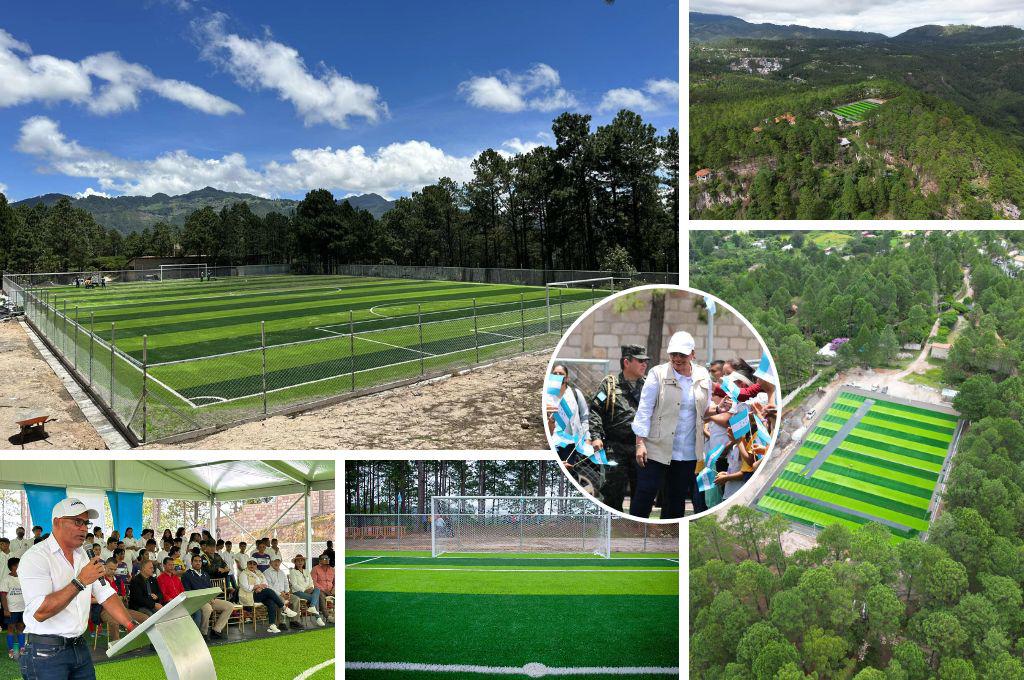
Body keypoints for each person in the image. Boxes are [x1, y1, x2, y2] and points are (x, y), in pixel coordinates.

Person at [19, 498, 137, 679]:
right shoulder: (35, 557)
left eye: (86, 523)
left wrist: (130, 625)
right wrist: (80, 581)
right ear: (57, 522)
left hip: (80, 647)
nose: (84, 528)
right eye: (77, 522)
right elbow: (40, 612)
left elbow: (106, 593)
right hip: (44, 652)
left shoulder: (84, 555)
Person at [631, 331, 714, 519]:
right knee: (645, 493)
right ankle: (634, 531)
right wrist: (640, 443)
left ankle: (668, 535)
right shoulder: (657, 374)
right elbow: (644, 410)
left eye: (682, 355)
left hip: (687, 451)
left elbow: (705, 409)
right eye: (673, 354)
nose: (677, 358)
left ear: (693, 354)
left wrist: (718, 409)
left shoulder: (703, 375)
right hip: (655, 447)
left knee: (676, 500)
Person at [588, 344, 649, 511]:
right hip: (615, 448)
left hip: (641, 448)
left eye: (646, 361)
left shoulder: (648, 386)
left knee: (642, 495)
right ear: (627, 362)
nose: (644, 364)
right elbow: (595, 409)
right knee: (613, 495)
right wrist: (596, 436)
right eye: (640, 361)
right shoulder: (609, 386)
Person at [545, 364, 593, 462]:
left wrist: (587, 438)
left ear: (566, 378)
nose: (558, 376)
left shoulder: (576, 394)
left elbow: (584, 417)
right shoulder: (547, 397)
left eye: (561, 374)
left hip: (572, 444)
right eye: (555, 373)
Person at [238, 560, 297, 634]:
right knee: (269, 591)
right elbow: (246, 587)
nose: (252, 565)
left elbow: (265, 583)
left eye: (254, 564)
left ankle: (271, 625)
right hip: (249, 595)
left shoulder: (259, 572)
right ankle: (284, 608)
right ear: (247, 564)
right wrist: (258, 586)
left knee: (271, 602)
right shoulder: (243, 574)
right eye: (250, 563)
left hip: (260, 593)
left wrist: (260, 587)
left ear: (256, 565)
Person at [181, 555, 232, 640]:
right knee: (208, 609)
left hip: (209, 599)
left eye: (200, 561)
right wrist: (204, 599)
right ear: (191, 562)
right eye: (196, 561)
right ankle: (203, 633)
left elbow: (210, 588)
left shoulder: (205, 574)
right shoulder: (187, 575)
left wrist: (211, 597)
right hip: (197, 601)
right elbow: (188, 592)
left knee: (229, 606)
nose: (198, 563)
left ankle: (216, 630)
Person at [287, 555, 325, 627]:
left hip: (309, 590)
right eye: (298, 561)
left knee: (317, 589)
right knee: (314, 598)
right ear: (295, 562)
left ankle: (312, 607)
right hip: (298, 592)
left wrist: (311, 588)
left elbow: (311, 582)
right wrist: (304, 590)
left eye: (301, 560)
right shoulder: (293, 571)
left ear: (304, 562)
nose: (300, 562)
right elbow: (294, 585)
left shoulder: (306, 571)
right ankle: (318, 617)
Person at [264, 558, 297, 629]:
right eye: (274, 561)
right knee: (281, 599)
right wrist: (281, 594)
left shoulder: (282, 572)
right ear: (270, 562)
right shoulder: (267, 572)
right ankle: (281, 623)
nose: (277, 563)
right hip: (274, 594)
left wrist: (287, 592)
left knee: (296, 599)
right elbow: (269, 587)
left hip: (284, 593)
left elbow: (286, 583)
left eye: (278, 561)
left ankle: (294, 621)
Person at [1, 557, 25, 659]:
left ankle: (22, 648)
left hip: (22, 608)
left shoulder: (23, 577)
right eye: (18, 565)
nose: (20, 567)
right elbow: (2, 595)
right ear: (12, 567)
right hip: (11, 609)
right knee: (11, 628)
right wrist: (6, 609)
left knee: (21, 627)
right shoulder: (6, 579)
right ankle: (12, 650)